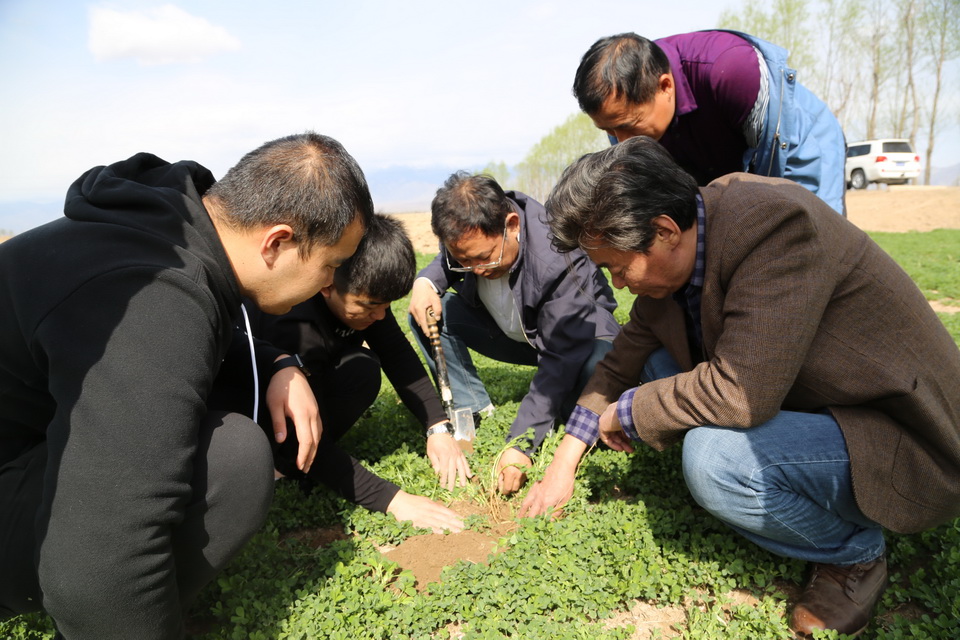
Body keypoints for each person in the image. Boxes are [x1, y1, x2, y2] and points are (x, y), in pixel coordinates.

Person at [520, 136, 960, 637]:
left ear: (663, 231)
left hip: (904, 435)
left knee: (714, 459)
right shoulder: (685, 246)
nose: (617, 285)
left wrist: (633, 412)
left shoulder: (773, 226)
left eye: (618, 268)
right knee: (652, 361)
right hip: (821, 403)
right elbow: (621, 361)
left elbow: (740, 391)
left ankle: (853, 553)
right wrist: (564, 461)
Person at [0, 132, 372, 639]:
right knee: (233, 460)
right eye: (329, 265)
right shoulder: (160, 297)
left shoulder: (165, 235)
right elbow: (93, 570)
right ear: (278, 242)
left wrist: (279, 361)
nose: (330, 283)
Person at [248, 214, 466, 533]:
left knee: (362, 368)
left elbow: (396, 352)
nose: (379, 316)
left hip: (315, 371)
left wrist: (437, 426)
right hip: (253, 408)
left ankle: (301, 460)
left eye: (386, 306)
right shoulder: (296, 323)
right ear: (328, 284)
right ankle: (280, 464)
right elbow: (300, 428)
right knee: (300, 437)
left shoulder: (361, 290)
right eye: (368, 306)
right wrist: (393, 500)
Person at [407, 172, 620, 494]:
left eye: (483, 258)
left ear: (512, 225)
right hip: (515, 333)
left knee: (589, 379)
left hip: (581, 338)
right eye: (465, 261)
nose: (477, 270)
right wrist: (424, 283)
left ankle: (565, 410)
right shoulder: (469, 234)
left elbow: (561, 354)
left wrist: (522, 444)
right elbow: (447, 261)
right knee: (428, 315)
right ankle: (474, 411)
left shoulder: (557, 254)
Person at [573, 30, 847, 215]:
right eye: (608, 131)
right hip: (718, 161)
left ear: (665, 86)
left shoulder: (730, 70)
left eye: (629, 125)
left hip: (797, 145)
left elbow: (771, 165)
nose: (621, 141)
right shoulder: (623, 115)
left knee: (811, 238)